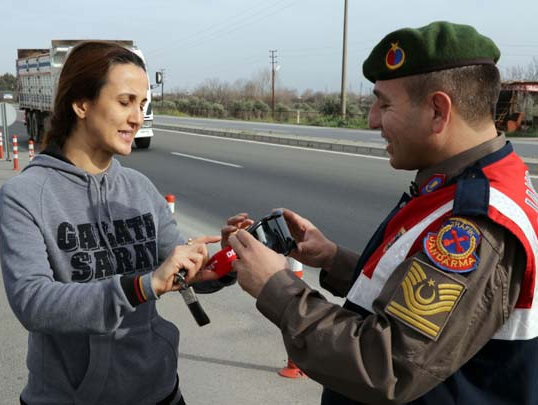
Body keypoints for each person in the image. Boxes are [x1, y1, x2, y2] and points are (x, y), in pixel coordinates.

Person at [224, 21, 538, 404]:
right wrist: (333, 259)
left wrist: (276, 287)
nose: (372, 120)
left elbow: (386, 366)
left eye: (384, 104)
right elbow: (417, 297)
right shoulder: (469, 182)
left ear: (438, 111)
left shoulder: (476, 222)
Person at [0, 41, 226, 405]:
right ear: (81, 103)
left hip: (160, 390)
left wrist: (220, 262)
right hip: (71, 397)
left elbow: (174, 267)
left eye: (143, 104)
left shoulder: (138, 187)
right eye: (125, 102)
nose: (137, 117)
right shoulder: (24, 195)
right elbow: (33, 303)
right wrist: (140, 286)